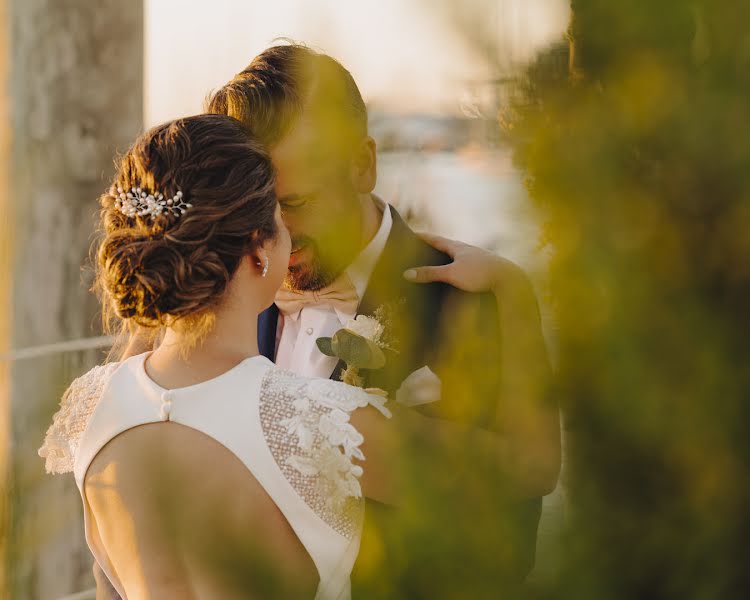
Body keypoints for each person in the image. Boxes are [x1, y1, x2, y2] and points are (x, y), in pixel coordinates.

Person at [205, 44, 560, 591]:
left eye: (296, 204)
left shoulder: (475, 299)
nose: (272, 237)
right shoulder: (225, 302)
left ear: (363, 165)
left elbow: (509, 538)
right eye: (255, 210)